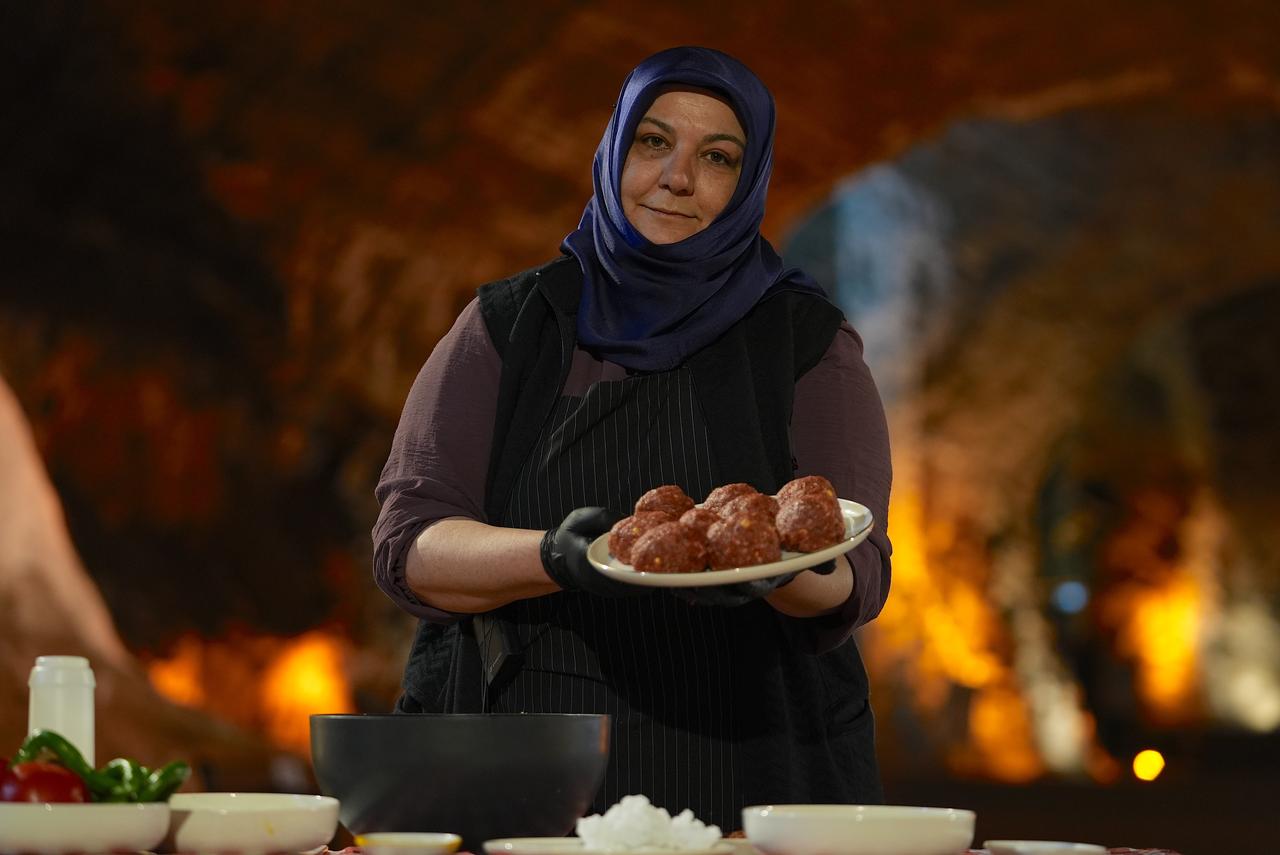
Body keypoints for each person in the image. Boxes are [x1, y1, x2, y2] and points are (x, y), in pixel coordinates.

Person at [373, 46, 893, 831]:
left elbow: (856, 571)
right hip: (525, 773)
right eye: (653, 143)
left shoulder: (807, 343)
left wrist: (775, 572)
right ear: (613, 151)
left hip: (749, 776)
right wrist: (556, 556)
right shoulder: (508, 328)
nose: (676, 177)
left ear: (748, 184)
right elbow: (409, 547)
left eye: (716, 157)